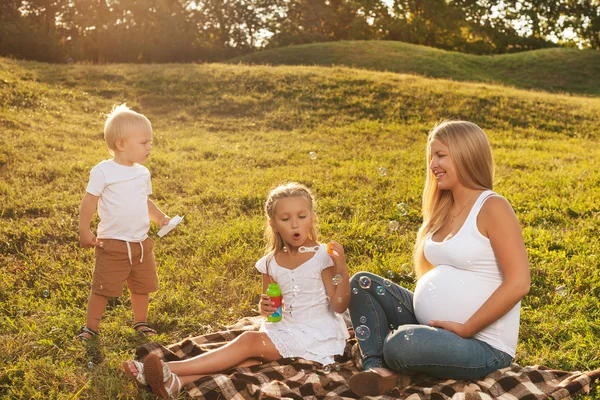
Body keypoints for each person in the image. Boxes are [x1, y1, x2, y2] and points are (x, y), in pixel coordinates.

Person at [347, 120, 531, 397]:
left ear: (466, 154)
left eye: (441, 155)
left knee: (400, 344)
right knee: (361, 283)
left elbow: (519, 283)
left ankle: (393, 351)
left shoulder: (493, 206)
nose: (433, 164)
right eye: (431, 156)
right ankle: (379, 371)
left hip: (481, 343)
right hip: (432, 329)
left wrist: (467, 328)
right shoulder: (444, 208)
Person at [123, 182, 351, 399]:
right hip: (284, 328)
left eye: (302, 217)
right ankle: (176, 383)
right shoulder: (270, 262)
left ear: (311, 218)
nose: (295, 224)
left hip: (316, 333)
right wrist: (264, 307)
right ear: (273, 224)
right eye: (285, 218)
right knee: (247, 360)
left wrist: (342, 271)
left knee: (249, 342)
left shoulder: (322, 256)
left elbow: (339, 305)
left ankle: (164, 368)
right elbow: (269, 306)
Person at [76, 104, 171, 341]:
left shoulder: (142, 173)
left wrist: (160, 217)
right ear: (121, 144)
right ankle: (91, 328)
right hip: (112, 244)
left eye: (150, 142)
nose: (150, 147)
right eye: (144, 142)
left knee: (142, 287)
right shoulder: (104, 171)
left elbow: (144, 201)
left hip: (140, 243)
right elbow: (89, 202)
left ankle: (140, 322)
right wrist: (84, 229)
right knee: (102, 288)